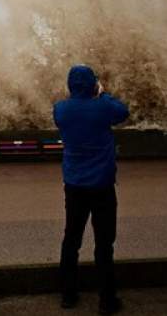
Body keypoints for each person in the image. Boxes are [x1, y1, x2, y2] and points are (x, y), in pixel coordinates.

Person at [53, 64, 129, 315]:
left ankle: (68, 295)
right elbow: (123, 112)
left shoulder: (61, 110)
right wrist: (103, 93)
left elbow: (68, 111)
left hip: (74, 185)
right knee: (104, 243)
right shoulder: (104, 107)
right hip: (102, 186)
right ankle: (107, 300)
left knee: (71, 239)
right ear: (92, 84)